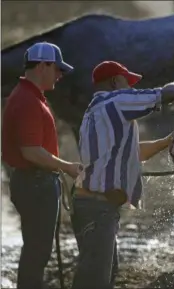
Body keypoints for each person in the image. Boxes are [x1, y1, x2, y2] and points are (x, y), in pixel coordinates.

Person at [71, 60, 174, 289]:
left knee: (102, 274)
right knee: (95, 281)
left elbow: (131, 152)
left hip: (90, 206)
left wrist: (167, 141)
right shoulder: (116, 101)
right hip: (98, 210)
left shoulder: (94, 111)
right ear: (114, 81)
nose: (130, 88)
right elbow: (166, 94)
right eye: (126, 82)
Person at [1, 42, 83, 289]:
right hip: (34, 183)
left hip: (33, 182)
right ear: (43, 66)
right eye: (57, 69)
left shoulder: (29, 96)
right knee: (37, 251)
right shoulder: (28, 101)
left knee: (37, 249)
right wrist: (67, 166)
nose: (60, 75)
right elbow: (31, 152)